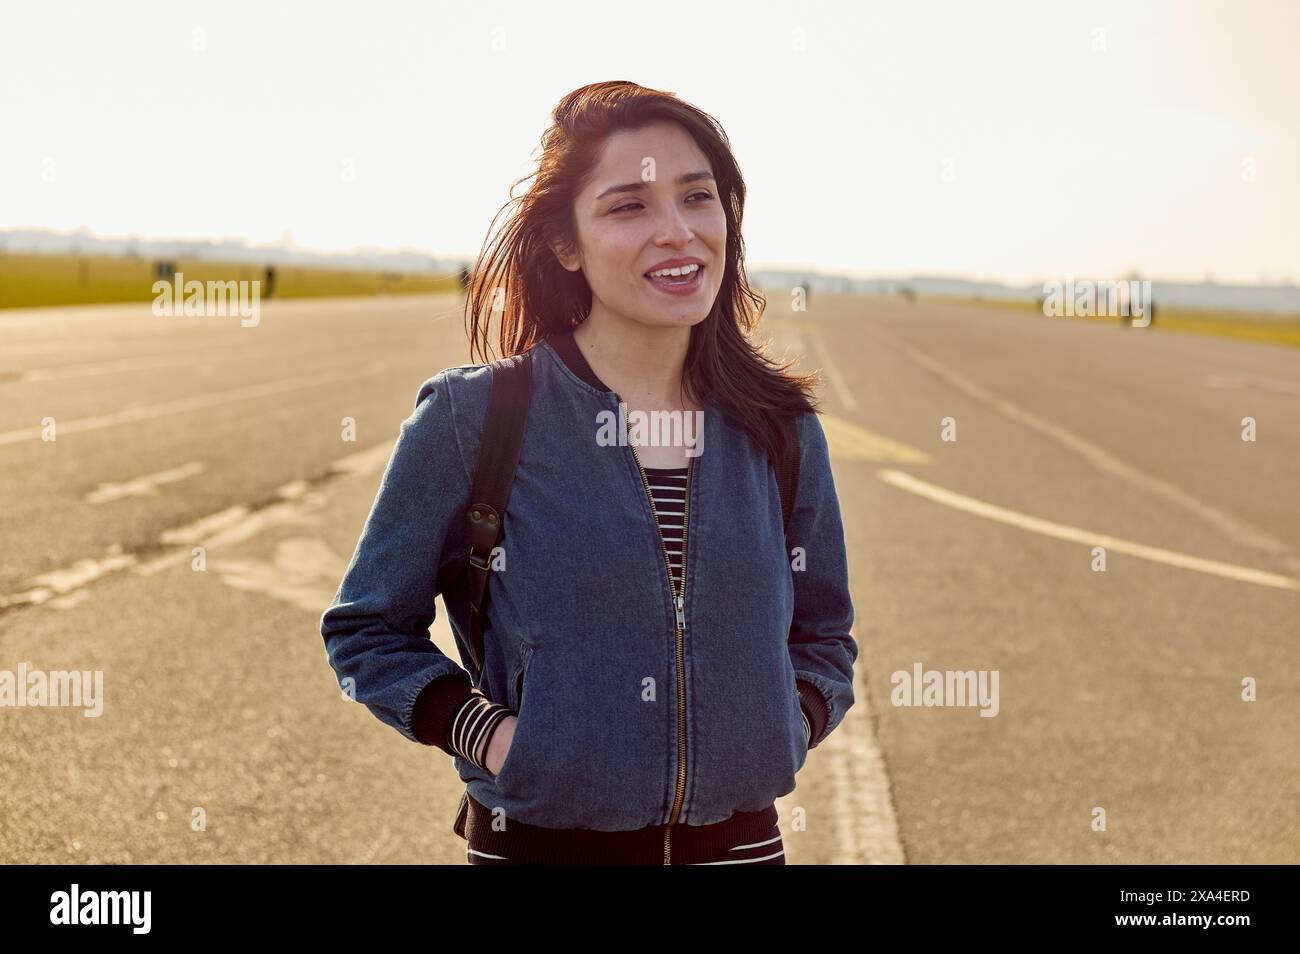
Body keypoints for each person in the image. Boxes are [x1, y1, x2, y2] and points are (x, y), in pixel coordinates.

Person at [320, 80, 858, 865]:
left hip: (743, 850)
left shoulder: (779, 427)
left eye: (697, 198)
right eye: (628, 206)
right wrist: (501, 741)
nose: (677, 233)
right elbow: (366, 627)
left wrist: (787, 726)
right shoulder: (476, 418)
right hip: (542, 848)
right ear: (565, 244)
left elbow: (824, 631)